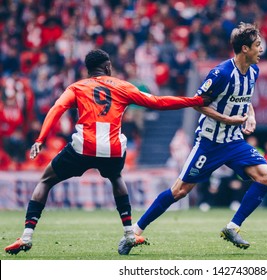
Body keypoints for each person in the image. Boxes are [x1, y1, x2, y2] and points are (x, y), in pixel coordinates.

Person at [4, 49, 212, 255]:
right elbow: (158, 102)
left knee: (46, 181)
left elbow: (57, 108)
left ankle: (27, 236)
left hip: (83, 147)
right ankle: (130, 232)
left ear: (88, 70)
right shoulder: (122, 86)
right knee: (116, 178)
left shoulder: (77, 87)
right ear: (107, 66)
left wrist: (41, 139)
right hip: (112, 149)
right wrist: (195, 101)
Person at [132, 22, 267, 250]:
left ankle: (233, 227)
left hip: (234, 141)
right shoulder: (221, 73)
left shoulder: (254, 71)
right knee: (179, 191)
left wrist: (251, 115)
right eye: (257, 45)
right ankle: (134, 231)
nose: (261, 49)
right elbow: (198, 104)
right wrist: (229, 120)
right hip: (209, 143)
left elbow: (245, 99)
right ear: (245, 49)